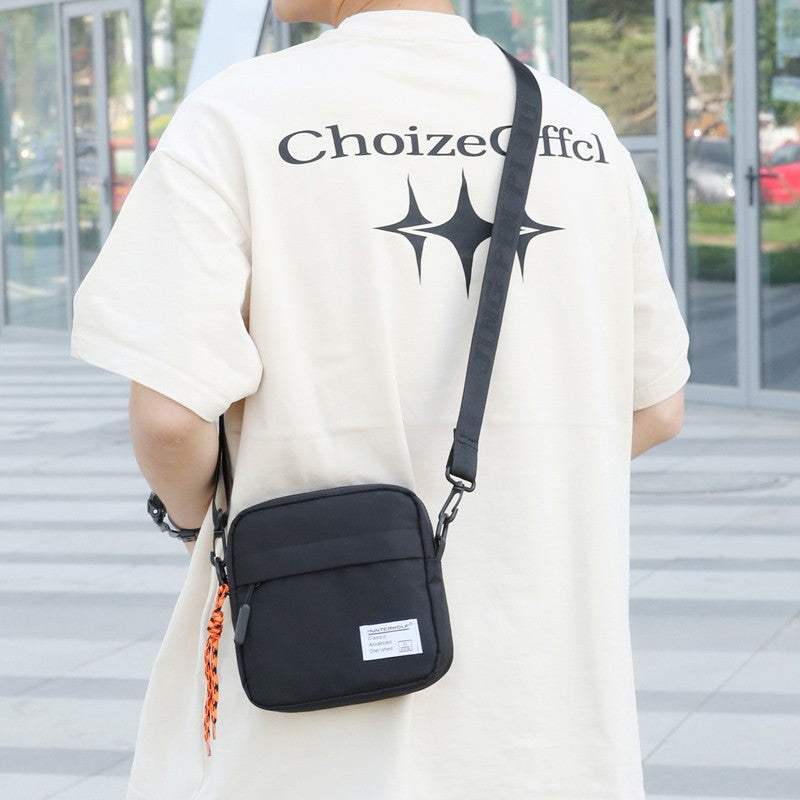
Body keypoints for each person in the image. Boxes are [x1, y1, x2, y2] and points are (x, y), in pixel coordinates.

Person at [70, 0, 689, 797]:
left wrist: (197, 524)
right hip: (551, 715)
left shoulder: (239, 116)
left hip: (317, 688)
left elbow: (168, 418)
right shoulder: (581, 132)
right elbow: (657, 406)